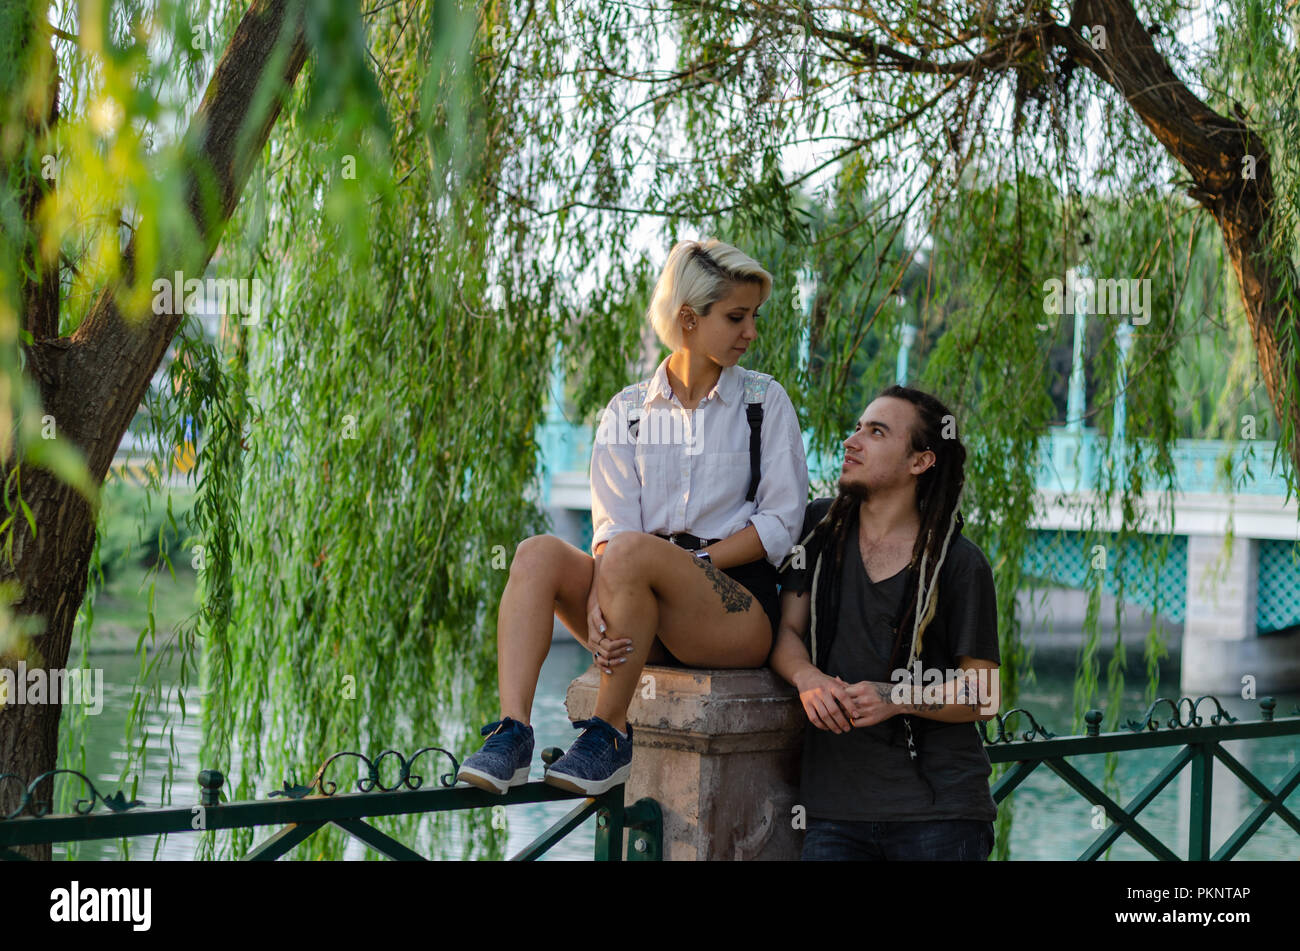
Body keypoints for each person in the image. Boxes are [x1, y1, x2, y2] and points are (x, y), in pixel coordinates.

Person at [456, 238, 809, 796]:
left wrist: (683, 562)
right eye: (737, 317)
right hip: (635, 603)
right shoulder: (627, 411)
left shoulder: (764, 402)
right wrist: (600, 595)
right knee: (536, 554)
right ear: (689, 319)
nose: (752, 333)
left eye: (753, 317)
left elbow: (780, 524)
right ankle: (513, 733)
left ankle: (610, 733)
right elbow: (612, 529)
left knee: (632, 554)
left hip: (734, 611)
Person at [770, 385, 1001, 860]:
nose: (852, 441)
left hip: (941, 817)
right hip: (835, 814)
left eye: (876, 432)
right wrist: (807, 677)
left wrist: (895, 697)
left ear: (920, 461)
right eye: (857, 428)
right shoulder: (817, 530)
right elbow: (786, 633)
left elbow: (984, 693)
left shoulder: (958, 563)